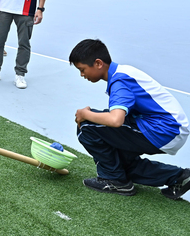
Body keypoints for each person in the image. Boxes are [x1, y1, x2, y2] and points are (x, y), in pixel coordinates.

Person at [70, 39, 189, 199]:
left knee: (86, 125)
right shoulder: (122, 71)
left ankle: (114, 180)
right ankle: (179, 177)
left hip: (164, 129)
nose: (82, 75)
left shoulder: (119, 82)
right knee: (119, 161)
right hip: (170, 128)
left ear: (98, 63)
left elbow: (116, 120)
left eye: (82, 69)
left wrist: (84, 114)